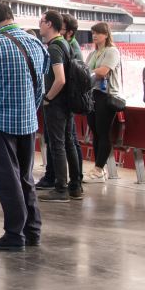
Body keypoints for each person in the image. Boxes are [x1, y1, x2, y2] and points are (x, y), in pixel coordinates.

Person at [0, 3, 49, 251]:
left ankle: (14, 234)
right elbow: (41, 85)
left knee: (7, 179)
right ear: (11, 17)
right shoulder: (37, 44)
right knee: (25, 177)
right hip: (28, 121)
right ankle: (32, 230)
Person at [39, 11, 82, 203]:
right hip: (67, 102)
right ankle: (75, 186)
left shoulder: (54, 47)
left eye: (41, 22)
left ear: (49, 24)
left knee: (57, 144)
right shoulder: (65, 44)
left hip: (56, 103)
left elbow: (60, 79)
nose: (39, 25)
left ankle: (61, 188)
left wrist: (48, 98)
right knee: (68, 142)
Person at [85, 22, 121, 183]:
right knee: (96, 132)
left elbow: (103, 71)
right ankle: (98, 167)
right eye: (93, 33)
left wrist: (88, 73)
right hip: (93, 94)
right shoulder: (93, 54)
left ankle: (99, 168)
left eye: (98, 33)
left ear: (106, 35)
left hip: (106, 95)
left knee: (103, 131)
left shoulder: (112, 51)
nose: (94, 36)